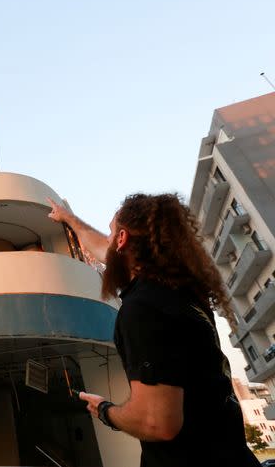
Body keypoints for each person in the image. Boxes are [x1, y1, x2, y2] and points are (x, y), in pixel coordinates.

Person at [47, 193, 259, 467]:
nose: (108, 241)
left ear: (123, 240)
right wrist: (69, 218)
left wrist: (105, 410)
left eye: (113, 233)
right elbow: (105, 249)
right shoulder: (184, 296)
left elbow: (157, 422)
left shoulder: (143, 309)